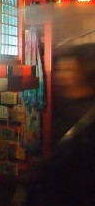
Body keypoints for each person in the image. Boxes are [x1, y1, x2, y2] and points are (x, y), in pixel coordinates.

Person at [21, 43, 95, 206]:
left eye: (68, 69)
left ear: (86, 72)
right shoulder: (67, 106)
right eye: (60, 68)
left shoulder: (87, 118)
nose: (59, 75)